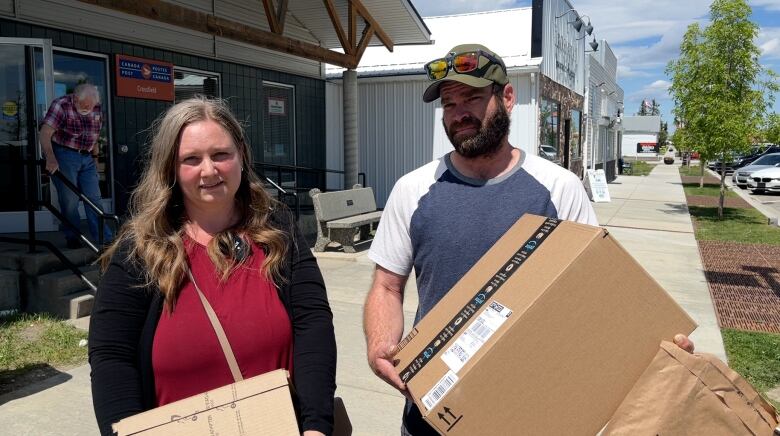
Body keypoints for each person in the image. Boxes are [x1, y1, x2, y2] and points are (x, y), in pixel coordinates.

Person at [362, 44, 695, 436]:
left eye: (471, 97)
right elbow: (387, 286)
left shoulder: (558, 188)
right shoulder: (413, 190)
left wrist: (649, 346)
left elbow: (597, 290)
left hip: (533, 406)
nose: (459, 113)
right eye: (449, 104)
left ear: (507, 97)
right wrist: (380, 344)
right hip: (437, 407)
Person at [88, 97, 337, 436]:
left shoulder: (277, 229)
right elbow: (111, 359)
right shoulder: (140, 251)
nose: (209, 170)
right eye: (191, 159)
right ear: (171, 169)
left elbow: (313, 322)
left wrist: (316, 426)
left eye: (221, 154)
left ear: (241, 157)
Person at [39, 83, 114, 248]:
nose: (88, 108)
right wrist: (50, 158)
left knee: (94, 197)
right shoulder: (61, 105)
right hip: (64, 154)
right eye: (85, 105)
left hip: (86, 156)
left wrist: (95, 158)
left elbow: (94, 135)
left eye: (91, 105)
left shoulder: (96, 107)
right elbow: (45, 133)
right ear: (75, 98)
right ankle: (72, 235)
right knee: (70, 200)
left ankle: (104, 238)